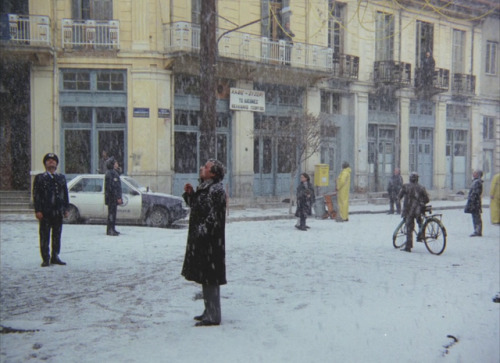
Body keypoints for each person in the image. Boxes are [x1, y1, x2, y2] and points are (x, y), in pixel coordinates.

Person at [182, 159, 227, 327]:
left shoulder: (216, 190)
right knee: (205, 277)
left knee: (211, 278)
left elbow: (214, 216)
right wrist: (190, 194)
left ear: (213, 173)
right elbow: (197, 207)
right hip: (203, 242)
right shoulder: (205, 187)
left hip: (211, 243)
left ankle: (214, 315)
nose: (203, 168)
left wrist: (203, 230)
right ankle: (208, 310)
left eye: (206, 167)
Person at [33, 153, 69, 267]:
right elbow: (37, 195)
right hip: (45, 212)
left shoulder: (61, 178)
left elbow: (64, 195)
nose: (51, 162)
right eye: (49, 161)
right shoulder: (40, 178)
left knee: (57, 235)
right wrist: (38, 210)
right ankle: (45, 257)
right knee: (44, 235)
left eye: (53, 161)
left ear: (57, 164)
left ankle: (55, 256)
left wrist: (65, 208)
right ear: (45, 163)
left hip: (57, 212)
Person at [398, 172, 430, 252]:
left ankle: (408, 247)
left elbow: (399, 196)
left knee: (409, 227)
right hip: (419, 209)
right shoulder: (421, 187)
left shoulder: (406, 186)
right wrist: (420, 202)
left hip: (409, 210)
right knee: (419, 221)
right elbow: (427, 199)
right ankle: (420, 233)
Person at [104, 157, 123, 236]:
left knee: (113, 214)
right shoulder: (111, 173)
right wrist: (118, 197)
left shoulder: (113, 172)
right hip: (112, 198)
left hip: (112, 197)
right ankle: (110, 230)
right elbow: (113, 187)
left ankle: (112, 229)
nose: (117, 164)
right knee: (111, 214)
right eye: (115, 163)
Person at [465, 170, 483, 237]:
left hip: (475, 202)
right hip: (475, 202)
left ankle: (477, 231)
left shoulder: (477, 182)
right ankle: (477, 230)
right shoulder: (475, 181)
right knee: (475, 216)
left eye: (475, 173)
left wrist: (472, 200)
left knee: (476, 217)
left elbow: (476, 193)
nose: (473, 174)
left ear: (478, 175)